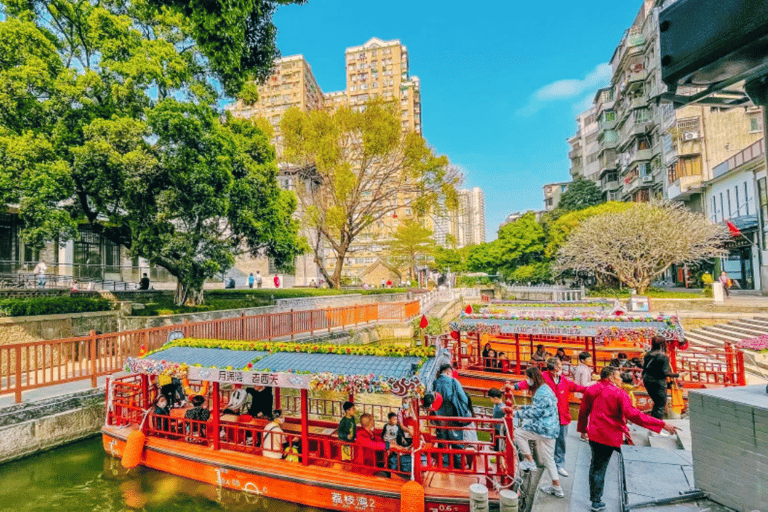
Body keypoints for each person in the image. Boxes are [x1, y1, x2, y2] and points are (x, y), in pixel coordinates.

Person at [577, 366, 678, 512]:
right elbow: (634, 415)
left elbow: (583, 411)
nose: (620, 379)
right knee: (627, 463)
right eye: (618, 376)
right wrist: (661, 424)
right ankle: (631, 495)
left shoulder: (591, 390)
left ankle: (596, 501)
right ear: (611, 377)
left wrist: (582, 429)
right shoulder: (619, 393)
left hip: (596, 434)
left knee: (597, 468)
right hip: (614, 435)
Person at [514, 357, 585, 477]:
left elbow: (576, 388)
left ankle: (559, 465)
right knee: (549, 444)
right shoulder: (543, 378)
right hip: (548, 417)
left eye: (559, 368)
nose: (558, 371)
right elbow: (527, 383)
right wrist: (516, 387)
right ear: (551, 369)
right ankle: (550, 466)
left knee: (561, 442)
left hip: (562, 416)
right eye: (557, 368)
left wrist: (592, 390)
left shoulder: (564, 380)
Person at [514, 367, 564, 498]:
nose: (527, 381)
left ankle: (529, 461)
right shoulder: (546, 389)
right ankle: (557, 487)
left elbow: (536, 412)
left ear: (533, 378)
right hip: (552, 428)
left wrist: (515, 413)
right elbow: (539, 408)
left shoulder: (541, 392)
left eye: (528, 378)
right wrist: (522, 407)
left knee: (518, 433)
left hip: (543, 428)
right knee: (549, 459)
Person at [432, 363, 472, 468]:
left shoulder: (434, 383)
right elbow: (464, 399)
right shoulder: (454, 381)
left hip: (439, 418)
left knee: (443, 442)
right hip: (454, 417)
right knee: (457, 444)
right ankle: (458, 466)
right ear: (449, 371)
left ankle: (444, 465)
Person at [642, 336, 680, 419]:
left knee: (656, 403)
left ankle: (653, 422)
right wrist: (677, 375)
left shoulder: (648, 355)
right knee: (660, 405)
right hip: (658, 382)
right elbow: (664, 372)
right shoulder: (663, 356)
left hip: (647, 380)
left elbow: (644, 369)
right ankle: (658, 424)